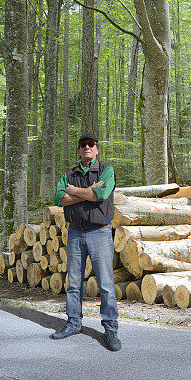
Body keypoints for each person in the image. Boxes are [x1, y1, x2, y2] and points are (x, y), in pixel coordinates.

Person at [51, 134, 121, 351]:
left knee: (106, 284)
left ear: (97, 149)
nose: (87, 147)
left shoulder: (106, 171)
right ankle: (73, 323)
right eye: (83, 145)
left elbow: (101, 193)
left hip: (99, 232)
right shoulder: (69, 174)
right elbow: (58, 199)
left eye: (91, 145)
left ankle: (110, 329)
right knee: (73, 283)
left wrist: (74, 192)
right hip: (75, 233)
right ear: (78, 150)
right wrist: (87, 194)